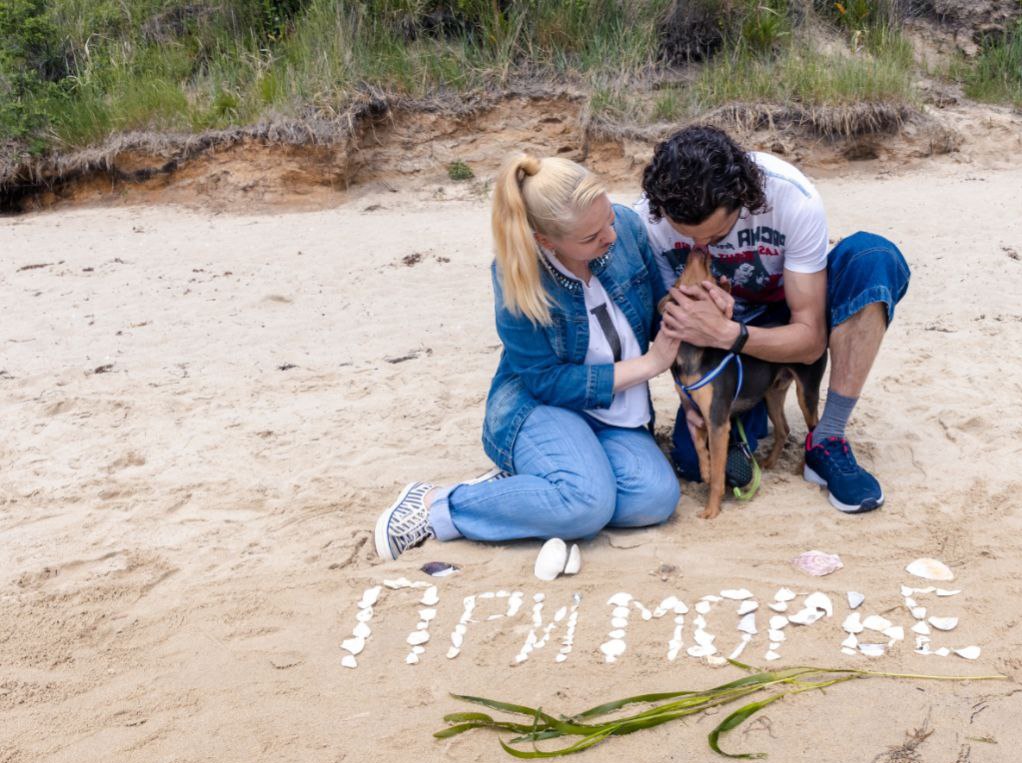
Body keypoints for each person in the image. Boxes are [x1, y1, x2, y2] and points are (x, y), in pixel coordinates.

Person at [374, 153, 681, 561]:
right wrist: (650, 364)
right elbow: (545, 381)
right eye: (591, 237)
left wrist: (696, 306)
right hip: (539, 405)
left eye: (609, 218)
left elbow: (661, 305)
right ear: (547, 241)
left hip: (615, 410)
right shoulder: (518, 275)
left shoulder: (625, 228)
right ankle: (438, 504)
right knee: (587, 504)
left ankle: (539, 486)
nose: (610, 235)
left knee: (654, 498)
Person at [637, 125, 910, 513]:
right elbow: (670, 321)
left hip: (780, 318)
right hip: (715, 352)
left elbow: (810, 340)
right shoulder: (647, 217)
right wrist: (688, 394)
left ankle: (827, 438)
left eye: (715, 236)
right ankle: (742, 417)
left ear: (743, 199)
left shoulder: (789, 196)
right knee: (692, 462)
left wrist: (729, 333)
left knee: (873, 257)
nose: (701, 248)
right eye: (688, 238)